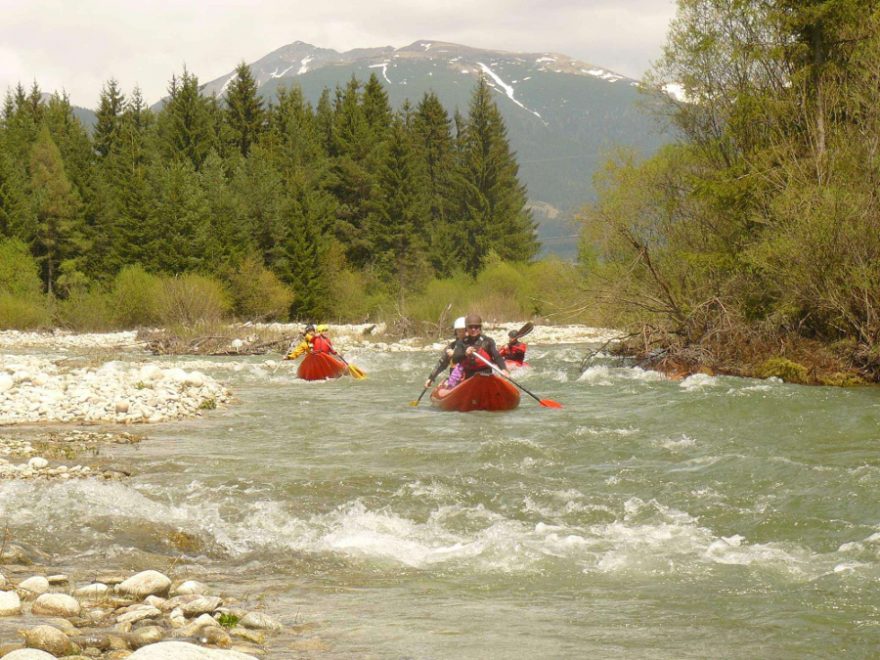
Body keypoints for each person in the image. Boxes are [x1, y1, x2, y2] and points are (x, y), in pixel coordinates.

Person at [460, 314, 509, 380]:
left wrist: (503, 369)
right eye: (471, 327)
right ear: (467, 328)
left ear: (480, 328)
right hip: (468, 376)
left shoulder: (488, 341)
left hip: (486, 374)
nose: (473, 329)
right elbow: (456, 358)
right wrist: (465, 354)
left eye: (476, 327)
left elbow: (496, 356)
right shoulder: (462, 342)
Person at [425, 317, 467, 391]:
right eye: (459, 331)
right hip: (456, 380)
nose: (462, 334)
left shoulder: (475, 344)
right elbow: (442, 364)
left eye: (465, 331)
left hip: (469, 377)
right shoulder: (452, 347)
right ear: (456, 332)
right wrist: (431, 378)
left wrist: (456, 354)